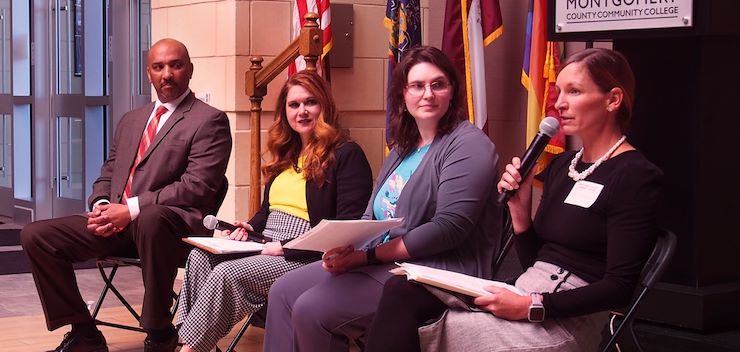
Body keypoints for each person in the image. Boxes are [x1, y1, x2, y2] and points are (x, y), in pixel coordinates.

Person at [363, 47, 664, 352]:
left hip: (564, 318)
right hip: (523, 289)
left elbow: (619, 290)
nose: (559, 103)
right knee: (401, 290)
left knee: (417, 329)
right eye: (558, 91)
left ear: (613, 99)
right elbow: (537, 260)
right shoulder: (563, 166)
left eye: (574, 91)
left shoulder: (635, 175)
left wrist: (532, 306)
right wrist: (520, 214)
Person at [262, 45, 503, 352]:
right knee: (283, 290)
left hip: (434, 269)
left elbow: (449, 228)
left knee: (313, 309)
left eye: (437, 84)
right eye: (417, 86)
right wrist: (346, 248)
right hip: (382, 260)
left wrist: (366, 257)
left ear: (452, 90)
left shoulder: (469, 144)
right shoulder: (403, 147)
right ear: (404, 95)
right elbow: (371, 216)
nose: (427, 94)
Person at [20, 38, 232, 352]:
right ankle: (84, 332)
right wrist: (103, 206)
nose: (167, 74)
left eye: (175, 65)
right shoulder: (132, 120)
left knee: (150, 218)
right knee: (36, 235)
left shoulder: (209, 120)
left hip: (172, 230)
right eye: (158, 67)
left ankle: (160, 331)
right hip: (119, 225)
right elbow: (108, 173)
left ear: (190, 70)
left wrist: (130, 209)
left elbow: (197, 186)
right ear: (149, 73)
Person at [175, 71, 373, 352]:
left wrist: (287, 248)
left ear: (325, 106)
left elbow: (345, 228)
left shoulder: (346, 154)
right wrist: (248, 227)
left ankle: (190, 349)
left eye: (310, 102)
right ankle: (193, 343)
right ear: (285, 112)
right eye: (294, 105)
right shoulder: (287, 154)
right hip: (268, 243)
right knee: (199, 257)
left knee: (226, 274)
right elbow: (268, 211)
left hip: (306, 253)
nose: (302, 111)